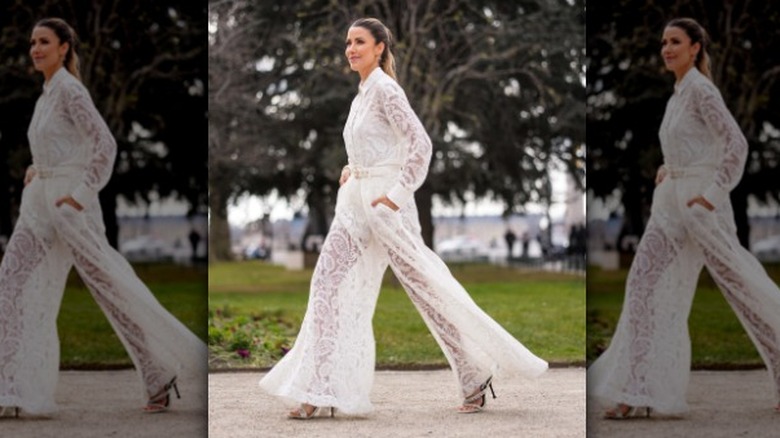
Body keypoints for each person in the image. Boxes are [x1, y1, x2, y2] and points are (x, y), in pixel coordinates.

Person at [258, 17, 547, 419]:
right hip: (354, 207)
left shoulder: (386, 89)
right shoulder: (361, 95)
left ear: (380, 48)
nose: (351, 49)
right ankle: (319, 388)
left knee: (427, 291)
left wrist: (393, 196)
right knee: (326, 284)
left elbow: (420, 144)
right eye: (347, 43)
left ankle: (473, 374)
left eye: (359, 42)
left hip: (386, 209)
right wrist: (351, 168)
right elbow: (376, 146)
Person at [0, 17, 206, 418]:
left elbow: (103, 144)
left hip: (70, 209)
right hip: (39, 207)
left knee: (110, 290)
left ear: (64, 47)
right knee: (9, 283)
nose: (35, 49)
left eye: (44, 42)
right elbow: (60, 146)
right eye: (31, 43)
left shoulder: (70, 90)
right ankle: (11, 388)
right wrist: (35, 169)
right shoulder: (46, 94)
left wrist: (77, 196)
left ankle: (158, 373)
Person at [588, 17, 780, 419]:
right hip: (670, 207)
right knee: (641, 284)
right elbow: (692, 145)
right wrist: (667, 168)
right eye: (663, 43)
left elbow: (735, 143)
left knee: (742, 289)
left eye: (675, 41)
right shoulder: (677, 95)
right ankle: (635, 389)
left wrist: (710, 195)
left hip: (701, 209)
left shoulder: (701, 90)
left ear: (695, 47)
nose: (666, 49)